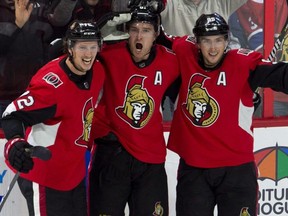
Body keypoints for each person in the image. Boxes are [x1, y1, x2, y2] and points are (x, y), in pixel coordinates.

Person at [164, 13, 288, 216]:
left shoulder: (243, 64)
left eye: (218, 41)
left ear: (226, 41)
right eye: (207, 41)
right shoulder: (184, 53)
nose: (213, 48)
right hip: (195, 171)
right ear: (197, 43)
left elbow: (280, 75)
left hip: (236, 172)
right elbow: (157, 38)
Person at [1, 20, 105, 216]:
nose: (89, 54)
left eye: (93, 47)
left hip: (73, 174)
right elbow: (11, 114)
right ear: (70, 48)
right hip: (45, 177)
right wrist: (14, 143)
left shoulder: (98, 71)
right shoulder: (52, 86)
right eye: (82, 47)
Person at [88, 2, 179, 215]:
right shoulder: (109, 55)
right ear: (127, 32)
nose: (139, 37)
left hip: (150, 160)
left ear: (156, 34)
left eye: (146, 31)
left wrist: (244, 90)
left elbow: (207, 63)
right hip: (111, 155)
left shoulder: (172, 60)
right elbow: (73, 53)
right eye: (135, 30)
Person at [0, 0, 62, 126]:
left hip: (34, 96)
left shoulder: (41, 8)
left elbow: (55, 42)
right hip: (3, 98)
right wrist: (17, 24)